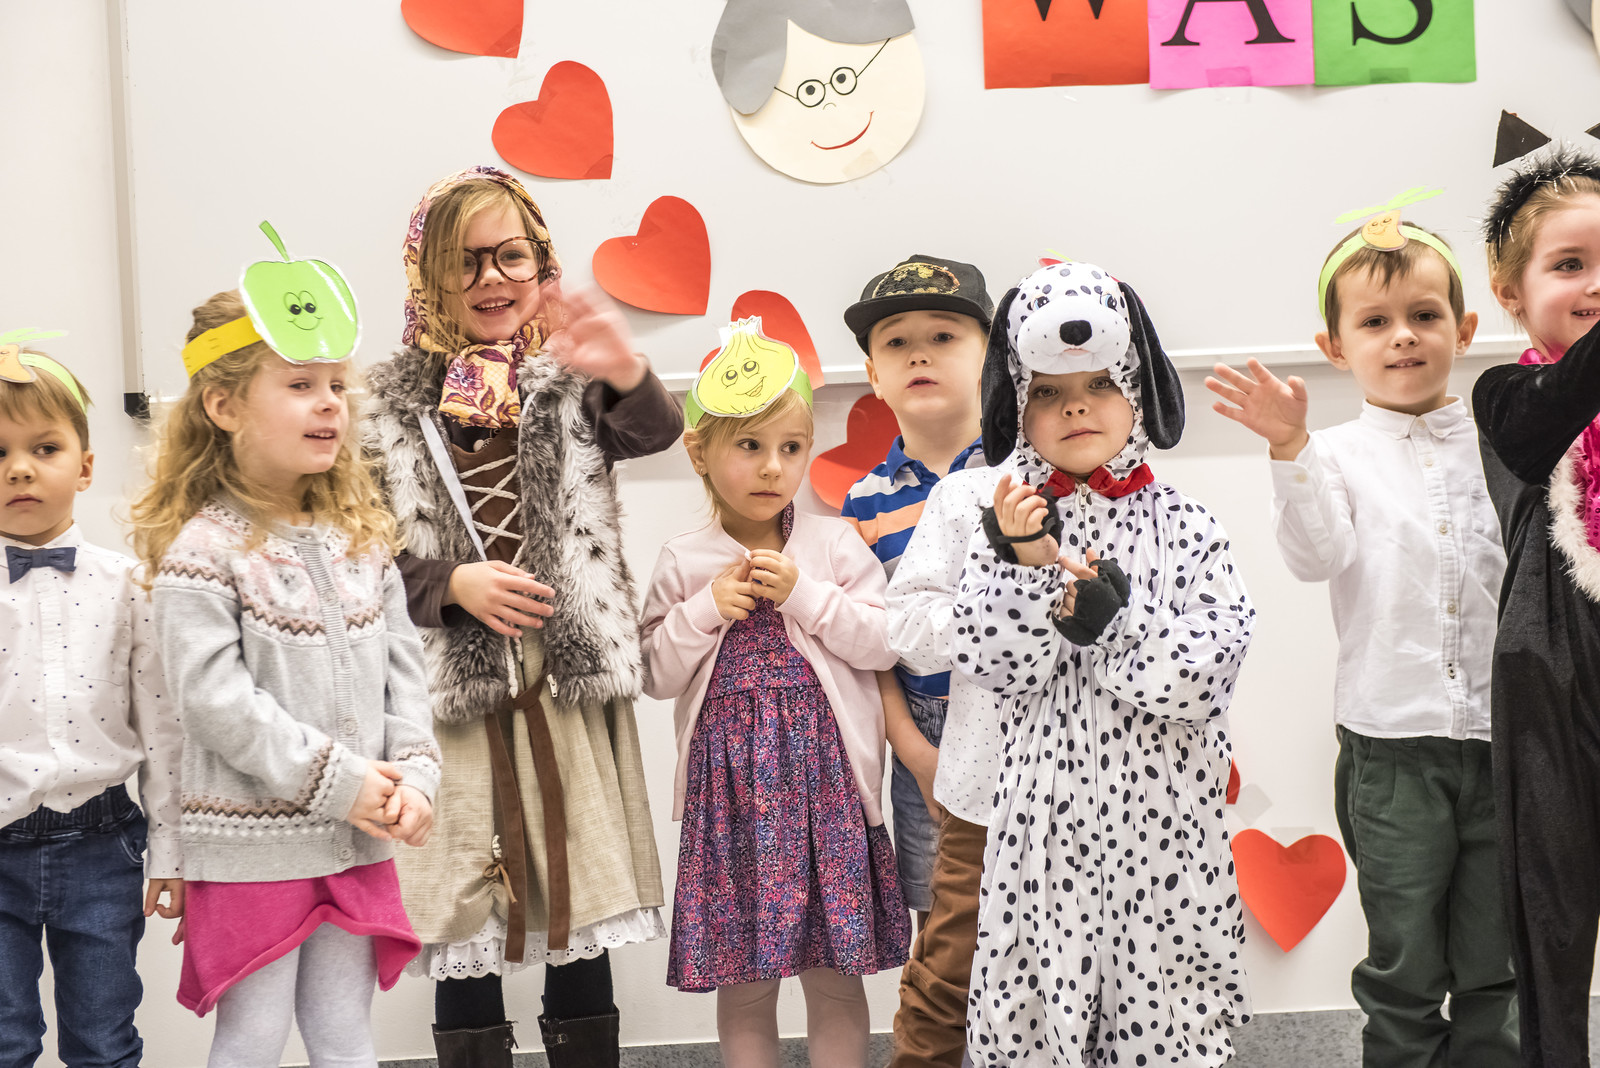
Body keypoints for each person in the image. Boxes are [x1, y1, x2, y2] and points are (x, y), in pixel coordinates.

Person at [898, 260, 1252, 1065]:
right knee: (1029, 1008)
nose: (1076, 406)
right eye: (1049, 392)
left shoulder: (1189, 525)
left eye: (1098, 384)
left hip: (1161, 832)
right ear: (1016, 406)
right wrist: (1021, 567)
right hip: (1034, 833)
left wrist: (1118, 625)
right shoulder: (999, 516)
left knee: (1160, 1011)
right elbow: (995, 665)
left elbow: (1212, 665)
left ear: (1138, 392)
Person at [363, 165, 673, 1067]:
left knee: (578, 902)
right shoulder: (382, 410)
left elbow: (654, 434)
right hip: (451, 700)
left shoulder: (569, 384)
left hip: (562, 686)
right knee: (464, 907)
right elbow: (361, 561)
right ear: (427, 276)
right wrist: (453, 584)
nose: (491, 278)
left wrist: (624, 365)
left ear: (540, 263)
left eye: (510, 256)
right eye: (463, 262)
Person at [1207, 207, 1516, 1067]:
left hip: (1506, 740)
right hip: (1392, 749)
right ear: (1336, 346)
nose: (1403, 336)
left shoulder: (1505, 445)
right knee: (1405, 956)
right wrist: (1288, 448)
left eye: (1424, 315)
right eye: (1375, 322)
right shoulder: (1332, 455)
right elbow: (1316, 558)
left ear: (1464, 329)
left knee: (1496, 955)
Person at [134, 283, 440, 1067]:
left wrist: (415, 774)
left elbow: (405, 677)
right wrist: (342, 782)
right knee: (254, 1037)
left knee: (345, 1032)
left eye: (337, 384)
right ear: (224, 406)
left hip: (357, 840)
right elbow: (216, 704)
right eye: (300, 384)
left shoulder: (362, 542)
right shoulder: (204, 552)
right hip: (253, 851)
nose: (330, 402)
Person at [640, 319, 910, 1067]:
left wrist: (805, 597)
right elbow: (654, 674)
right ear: (700, 452)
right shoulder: (684, 560)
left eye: (792, 448)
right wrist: (703, 611)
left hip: (827, 793)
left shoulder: (833, 544)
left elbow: (883, 642)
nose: (773, 467)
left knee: (835, 978)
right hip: (730, 802)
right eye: (750, 446)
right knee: (746, 984)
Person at [0, 339, 183, 1068]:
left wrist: (171, 849)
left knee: (104, 1041)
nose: (19, 467)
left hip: (102, 846)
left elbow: (163, 727)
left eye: (44, 448)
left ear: (84, 466)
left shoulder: (130, 584)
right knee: (5, 1041)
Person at [836, 255, 994, 1068]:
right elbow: (873, 650)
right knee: (942, 930)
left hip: (1022, 726)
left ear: (992, 357)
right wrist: (915, 750)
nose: (920, 353)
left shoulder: (1021, 475)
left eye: (944, 335)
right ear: (874, 374)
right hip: (925, 734)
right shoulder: (864, 504)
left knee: (1031, 914)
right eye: (897, 342)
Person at [1472, 146, 1600, 1067]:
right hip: (1552, 671)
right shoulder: (1507, 393)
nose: (1596, 284)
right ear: (1510, 294)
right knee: (1551, 908)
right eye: (1569, 264)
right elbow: (1546, 419)